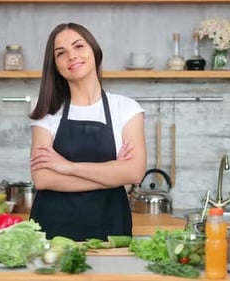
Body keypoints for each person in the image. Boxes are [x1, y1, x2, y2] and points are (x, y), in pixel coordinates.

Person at [28, 22, 147, 241]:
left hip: (110, 229)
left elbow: (135, 173)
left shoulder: (127, 108)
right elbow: (43, 178)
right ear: (55, 65)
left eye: (78, 46)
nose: (72, 56)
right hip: (52, 232)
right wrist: (113, 176)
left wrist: (68, 167)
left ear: (94, 50)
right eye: (61, 53)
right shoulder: (47, 111)